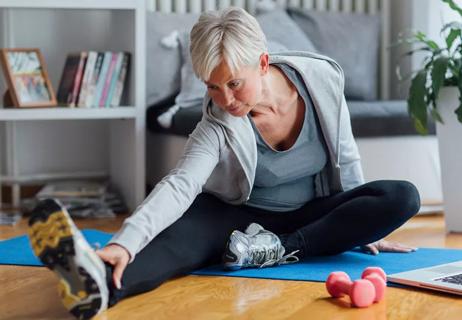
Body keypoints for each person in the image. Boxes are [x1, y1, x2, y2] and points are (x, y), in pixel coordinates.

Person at [27, 7, 420, 319]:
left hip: (308, 215)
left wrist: (362, 225)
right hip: (236, 216)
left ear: (263, 63)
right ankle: (98, 283)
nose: (225, 99)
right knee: (176, 242)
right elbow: (180, 183)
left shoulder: (322, 78)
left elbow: (346, 155)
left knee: (402, 197)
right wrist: (123, 244)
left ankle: (278, 249)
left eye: (234, 83)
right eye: (212, 86)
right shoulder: (217, 120)